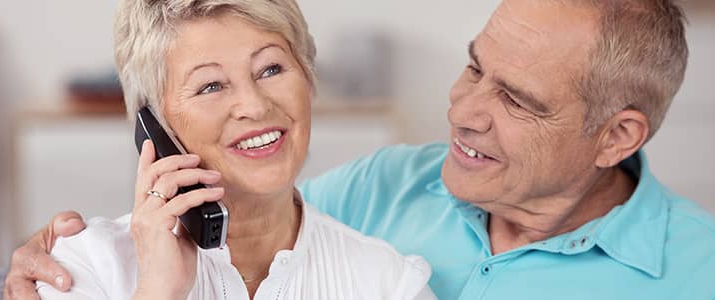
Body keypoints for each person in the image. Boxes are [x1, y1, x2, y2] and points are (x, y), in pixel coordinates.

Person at [6, 0, 715, 299]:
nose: (463, 112)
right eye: (475, 66)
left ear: (618, 136)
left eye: (516, 100)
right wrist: (58, 259)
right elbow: (260, 220)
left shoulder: (705, 276)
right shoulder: (388, 186)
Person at [28, 0, 435, 299]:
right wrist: (157, 291)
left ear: (309, 80)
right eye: (211, 86)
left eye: (271, 69)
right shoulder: (84, 269)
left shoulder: (389, 282)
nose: (256, 106)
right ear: (155, 127)